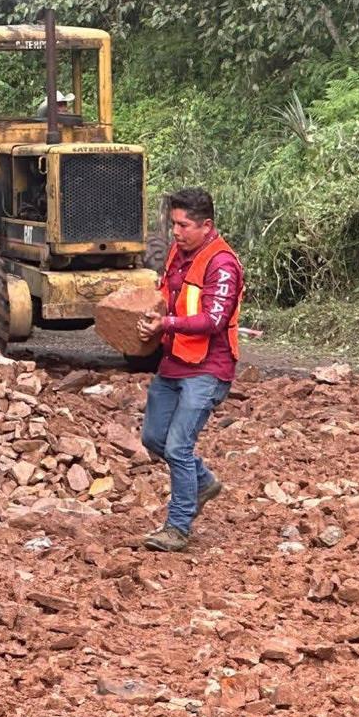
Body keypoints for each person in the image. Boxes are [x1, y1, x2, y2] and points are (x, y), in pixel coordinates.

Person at [135, 187, 244, 552]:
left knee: (179, 445)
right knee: (154, 438)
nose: (176, 232)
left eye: (183, 225)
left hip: (209, 367)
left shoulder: (223, 264)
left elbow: (214, 320)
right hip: (175, 360)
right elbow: (169, 297)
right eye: (174, 224)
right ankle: (203, 482)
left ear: (206, 226)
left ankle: (177, 528)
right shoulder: (176, 254)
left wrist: (165, 325)